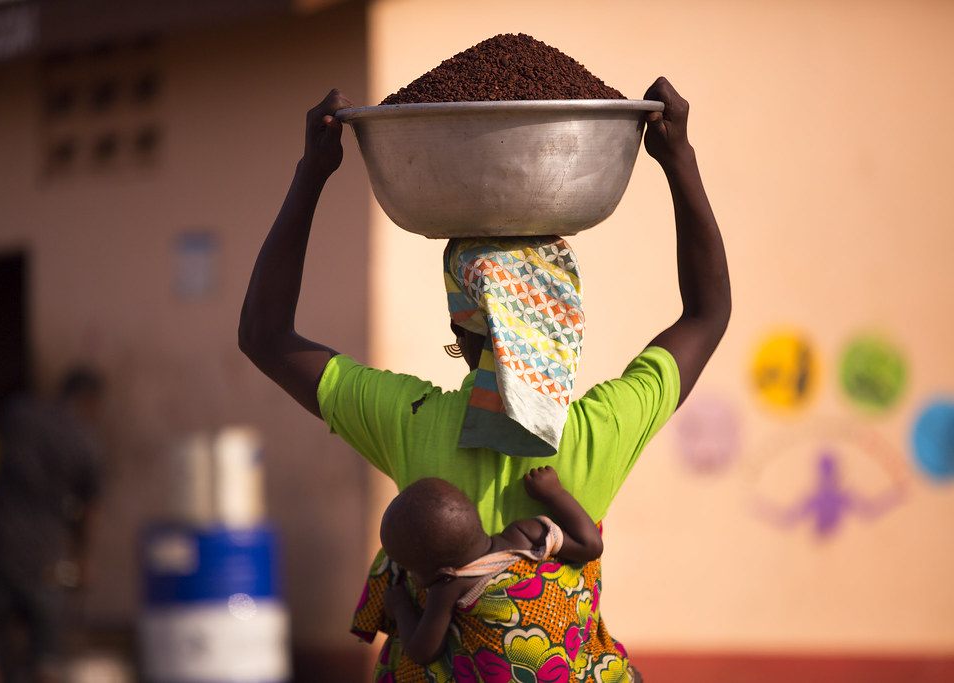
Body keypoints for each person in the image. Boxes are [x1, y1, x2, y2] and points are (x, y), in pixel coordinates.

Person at [238, 77, 730, 681]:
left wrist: (312, 173)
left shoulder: (408, 419)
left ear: (461, 325)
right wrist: (679, 159)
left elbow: (265, 335)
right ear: (562, 322)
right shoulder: (601, 430)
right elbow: (707, 314)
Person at [357, 466, 603, 677]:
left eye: (410, 570)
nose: (409, 576)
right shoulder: (524, 534)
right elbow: (591, 546)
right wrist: (553, 493)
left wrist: (400, 606)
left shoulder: (448, 586)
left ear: (444, 571)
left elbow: (423, 650)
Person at [0, 366, 105, 683]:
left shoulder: (18, 414)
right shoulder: (85, 442)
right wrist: (84, 559)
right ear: (90, 402)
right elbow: (92, 510)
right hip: (47, 561)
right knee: (47, 657)